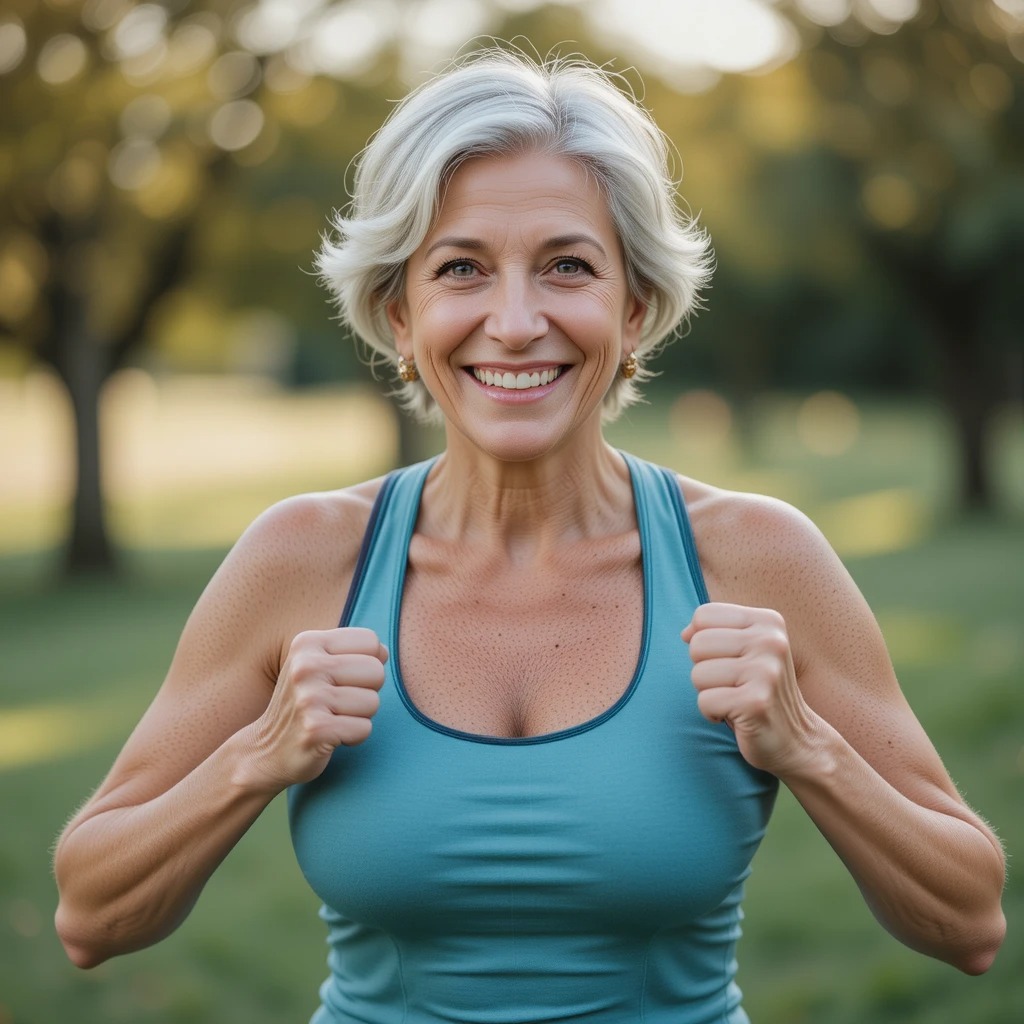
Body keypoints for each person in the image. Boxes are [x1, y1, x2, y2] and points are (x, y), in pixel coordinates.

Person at [53, 47, 1005, 1024]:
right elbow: (90, 914)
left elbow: (969, 922)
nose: (514, 322)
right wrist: (253, 756)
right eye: (461, 267)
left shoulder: (756, 559)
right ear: (400, 311)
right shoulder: (302, 559)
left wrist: (809, 747)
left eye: (567, 267)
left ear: (633, 309)